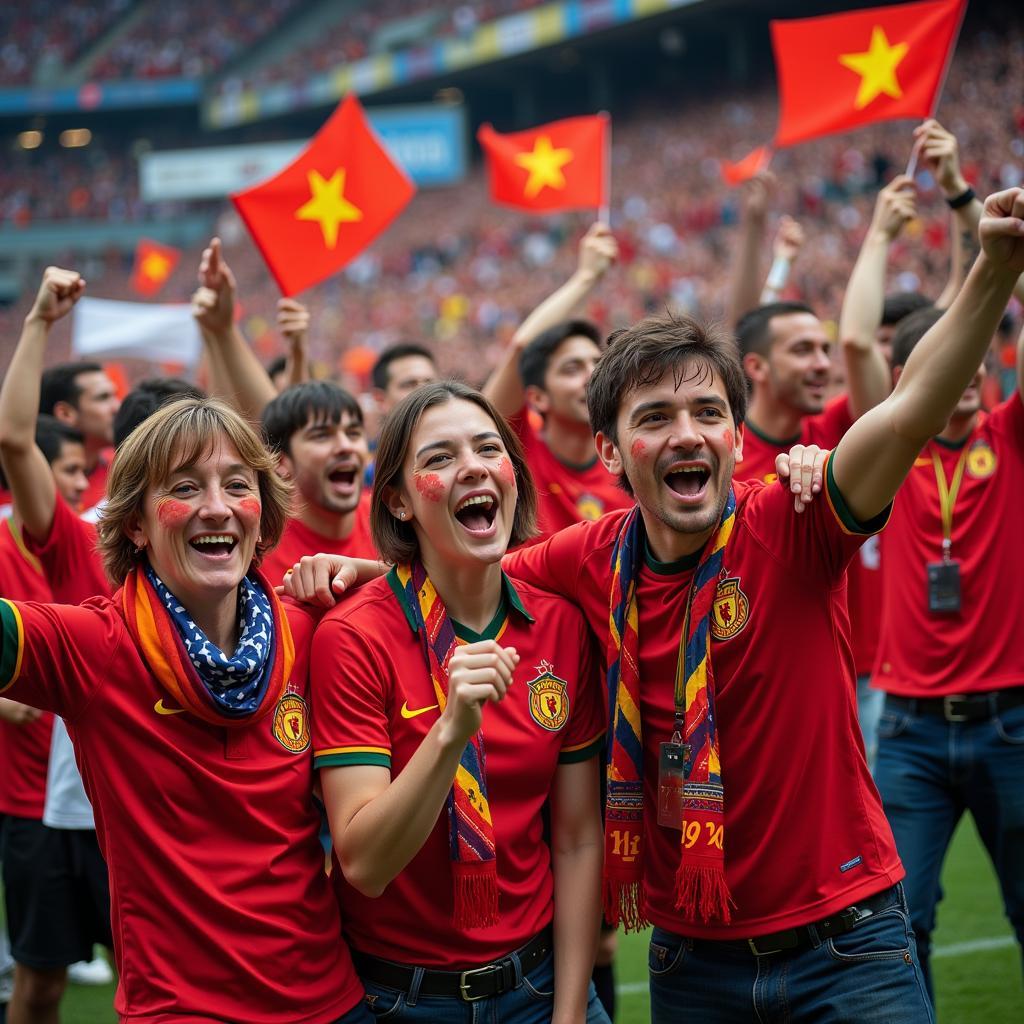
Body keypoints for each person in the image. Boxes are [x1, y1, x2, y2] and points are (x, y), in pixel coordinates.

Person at [489, 187, 1024, 1021]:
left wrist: (992, 270)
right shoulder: (588, 556)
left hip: (848, 949)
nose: (687, 435)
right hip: (692, 965)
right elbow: (463, 577)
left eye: (709, 413)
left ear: (738, 439)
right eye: (655, 417)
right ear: (607, 451)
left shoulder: (794, 520)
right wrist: (345, 571)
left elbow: (909, 412)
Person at [0, 391, 368, 1023]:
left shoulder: (312, 631)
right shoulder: (96, 646)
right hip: (181, 1010)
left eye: (236, 485)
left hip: (329, 1002)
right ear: (136, 524)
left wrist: (371, 575)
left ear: (264, 513)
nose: (217, 508)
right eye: (185, 488)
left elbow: (472, 597)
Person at [309, 381, 609, 1023]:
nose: (472, 466)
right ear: (397, 499)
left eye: (487, 448)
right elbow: (363, 864)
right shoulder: (353, 637)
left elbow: (579, 837)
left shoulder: (560, 626)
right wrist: (452, 730)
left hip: (540, 987)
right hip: (400, 1000)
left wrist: (571, 1011)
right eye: (439, 457)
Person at [871, 304, 1024, 1001]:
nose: (970, 368)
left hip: (1010, 722)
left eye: (978, 357)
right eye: (951, 358)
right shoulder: (888, 453)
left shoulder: (1010, 436)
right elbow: (851, 343)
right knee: (901, 925)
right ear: (907, 378)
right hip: (909, 732)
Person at [484, 224, 632, 536]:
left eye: (597, 363)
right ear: (537, 397)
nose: (592, 376)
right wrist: (586, 278)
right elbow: (521, 352)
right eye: (571, 368)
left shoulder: (631, 462)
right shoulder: (516, 451)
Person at [260, 380, 376, 585]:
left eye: (353, 433)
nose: (345, 446)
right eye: (322, 436)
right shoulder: (256, 549)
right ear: (280, 461)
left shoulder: (394, 522)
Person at [38, 361, 120, 512]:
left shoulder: (124, 472)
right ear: (65, 413)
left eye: (115, 396)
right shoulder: (26, 483)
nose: (117, 407)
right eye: (103, 398)